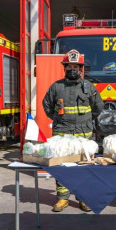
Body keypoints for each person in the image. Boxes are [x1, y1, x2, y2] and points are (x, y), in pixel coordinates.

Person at [42, 49, 104, 212]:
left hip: (84, 136)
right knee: (62, 167)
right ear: (64, 68)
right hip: (62, 135)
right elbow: (47, 106)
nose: (72, 69)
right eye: (69, 66)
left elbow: (98, 107)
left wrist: (86, 120)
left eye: (75, 66)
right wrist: (58, 120)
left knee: (84, 167)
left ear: (81, 69)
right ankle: (62, 198)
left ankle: (83, 198)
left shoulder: (89, 87)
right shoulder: (56, 87)